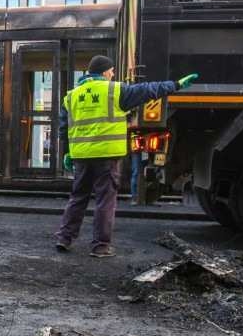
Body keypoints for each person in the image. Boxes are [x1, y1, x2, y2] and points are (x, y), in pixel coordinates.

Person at [54, 55, 197, 257]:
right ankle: (100, 246)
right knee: (105, 200)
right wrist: (176, 84)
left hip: (81, 157)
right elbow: (148, 90)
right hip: (107, 156)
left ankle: (64, 238)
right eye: (111, 71)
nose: (112, 75)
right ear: (104, 72)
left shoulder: (71, 96)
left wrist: (67, 152)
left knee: (78, 198)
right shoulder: (115, 90)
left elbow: (63, 128)